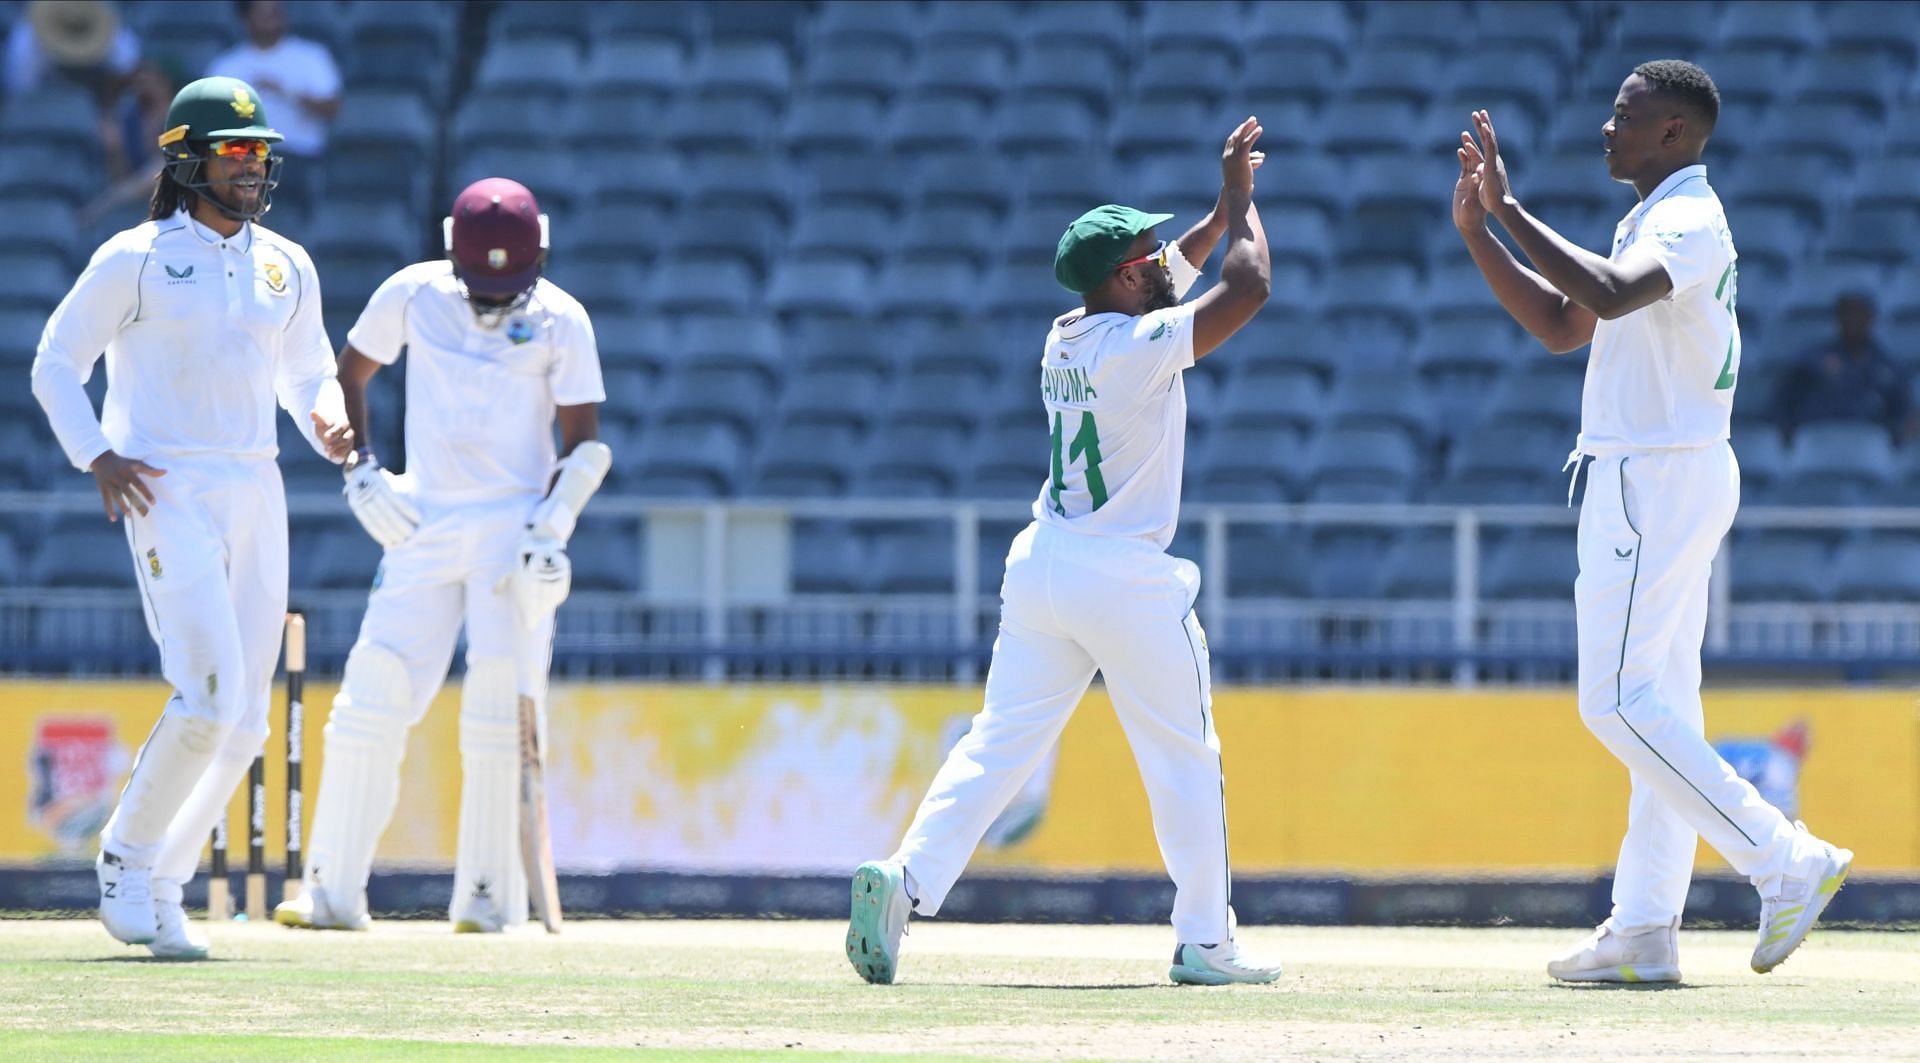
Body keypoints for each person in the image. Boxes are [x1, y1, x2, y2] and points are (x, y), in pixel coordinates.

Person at [846, 118, 1277, 987]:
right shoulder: (1136, 349)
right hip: (1123, 575)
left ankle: (907, 878)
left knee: (998, 743)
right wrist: (1246, 213)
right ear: (1124, 275)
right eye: (1151, 255)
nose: (1165, 261)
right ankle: (1208, 941)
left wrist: (1214, 211)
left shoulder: (1068, 333)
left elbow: (1181, 274)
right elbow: (1248, 286)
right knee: (1184, 755)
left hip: (1045, 565)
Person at [1453, 60, 1852, 983]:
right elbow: (1563, 323)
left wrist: (1511, 210)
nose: (1606, 127)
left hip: (1653, 479)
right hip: (1669, 472)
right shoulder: (1656, 216)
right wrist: (1482, 235)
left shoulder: (1685, 218)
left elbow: (1605, 293)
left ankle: (1784, 857)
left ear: (1674, 132)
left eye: (1625, 115)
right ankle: (1643, 929)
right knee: (1659, 708)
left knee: (1617, 703)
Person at [29, 75, 350, 959]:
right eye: (238, 153)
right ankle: (126, 859)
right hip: (165, 485)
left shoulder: (287, 263)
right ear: (188, 161)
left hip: (257, 485)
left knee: (245, 718)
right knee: (208, 695)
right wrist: (96, 454)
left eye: (260, 154)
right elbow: (56, 361)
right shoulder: (132, 256)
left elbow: (306, 373)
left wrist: (324, 414)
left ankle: (164, 883)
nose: (254, 169)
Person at [273, 178, 609, 934]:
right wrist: (362, 474)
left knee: (497, 707)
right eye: (480, 288)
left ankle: (489, 900)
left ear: (540, 253)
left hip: (512, 532)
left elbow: (585, 445)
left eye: (506, 290)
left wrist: (552, 526)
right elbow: (349, 375)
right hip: (422, 521)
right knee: (372, 693)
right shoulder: (413, 293)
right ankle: (330, 891)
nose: (492, 304)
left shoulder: (562, 318)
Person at [205, 0, 339, 158]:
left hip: (300, 155)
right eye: (263, 13)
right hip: (242, 158)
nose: (271, 18)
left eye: (275, 11)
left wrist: (286, 92)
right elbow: (208, 117)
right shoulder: (226, 65)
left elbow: (332, 108)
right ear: (245, 18)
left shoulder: (312, 56)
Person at [1773, 291, 1912, 443]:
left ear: (1871, 318)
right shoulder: (1813, 359)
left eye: (1860, 313)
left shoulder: (1889, 367)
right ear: (1838, 317)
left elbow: (1904, 413)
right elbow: (1785, 400)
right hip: (1818, 442)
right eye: (1848, 313)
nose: (1853, 320)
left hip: (1868, 447)